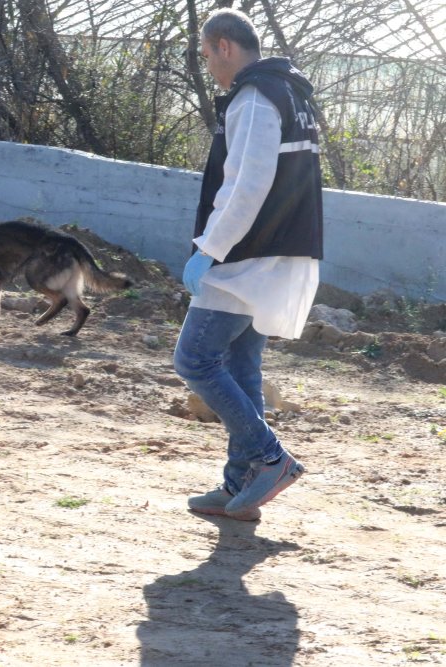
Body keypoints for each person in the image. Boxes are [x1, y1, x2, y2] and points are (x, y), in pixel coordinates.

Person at [175, 8, 322, 520]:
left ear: (224, 46)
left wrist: (209, 249)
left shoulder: (255, 97)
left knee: (194, 359)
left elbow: (246, 186)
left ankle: (270, 458)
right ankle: (242, 484)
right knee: (241, 365)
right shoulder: (290, 93)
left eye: (206, 54)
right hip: (276, 250)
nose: (208, 66)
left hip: (246, 257)